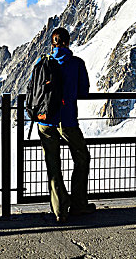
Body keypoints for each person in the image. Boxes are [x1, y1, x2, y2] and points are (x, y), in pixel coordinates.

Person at [37, 27, 95, 223]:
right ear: (68, 42)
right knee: (82, 158)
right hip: (67, 120)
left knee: (53, 165)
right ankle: (78, 204)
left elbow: (33, 90)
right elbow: (84, 92)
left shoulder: (42, 61)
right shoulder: (76, 63)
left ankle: (59, 210)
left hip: (44, 121)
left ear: (51, 43)